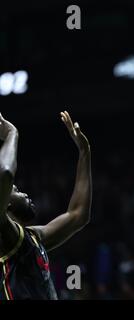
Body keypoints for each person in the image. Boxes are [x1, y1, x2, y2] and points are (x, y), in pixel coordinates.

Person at [0, 111, 92, 300]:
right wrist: (11, 133)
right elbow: (6, 173)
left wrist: (84, 152)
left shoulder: (32, 237)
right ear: (6, 203)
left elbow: (78, 215)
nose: (24, 192)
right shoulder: (4, 236)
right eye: (16, 190)